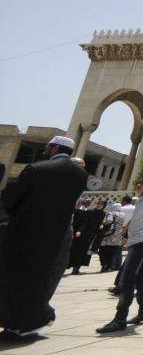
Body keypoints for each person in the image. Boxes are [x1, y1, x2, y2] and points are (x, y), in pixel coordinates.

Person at [0, 136, 87, 337]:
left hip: (25, 232)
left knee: (14, 277)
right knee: (41, 278)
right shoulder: (80, 175)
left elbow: (11, 200)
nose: (44, 151)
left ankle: (20, 320)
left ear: (54, 148)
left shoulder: (37, 169)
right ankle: (31, 319)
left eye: (47, 148)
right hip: (57, 234)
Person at [97, 172, 143, 333]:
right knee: (141, 278)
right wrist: (126, 231)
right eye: (139, 182)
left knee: (126, 281)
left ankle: (120, 319)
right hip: (137, 242)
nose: (139, 185)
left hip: (141, 244)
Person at [68, 198, 97, 275]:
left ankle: (76, 268)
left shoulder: (85, 212)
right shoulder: (73, 211)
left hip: (80, 236)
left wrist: (79, 231)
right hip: (70, 233)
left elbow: (85, 223)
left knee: (78, 251)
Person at [99, 203, 124, 272]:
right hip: (118, 235)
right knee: (112, 251)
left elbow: (109, 221)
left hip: (108, 234)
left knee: (103, 250)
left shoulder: (111, 213)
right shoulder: (122, 214)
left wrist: (102, 223)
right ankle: (109, 266)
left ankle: (104, 265)